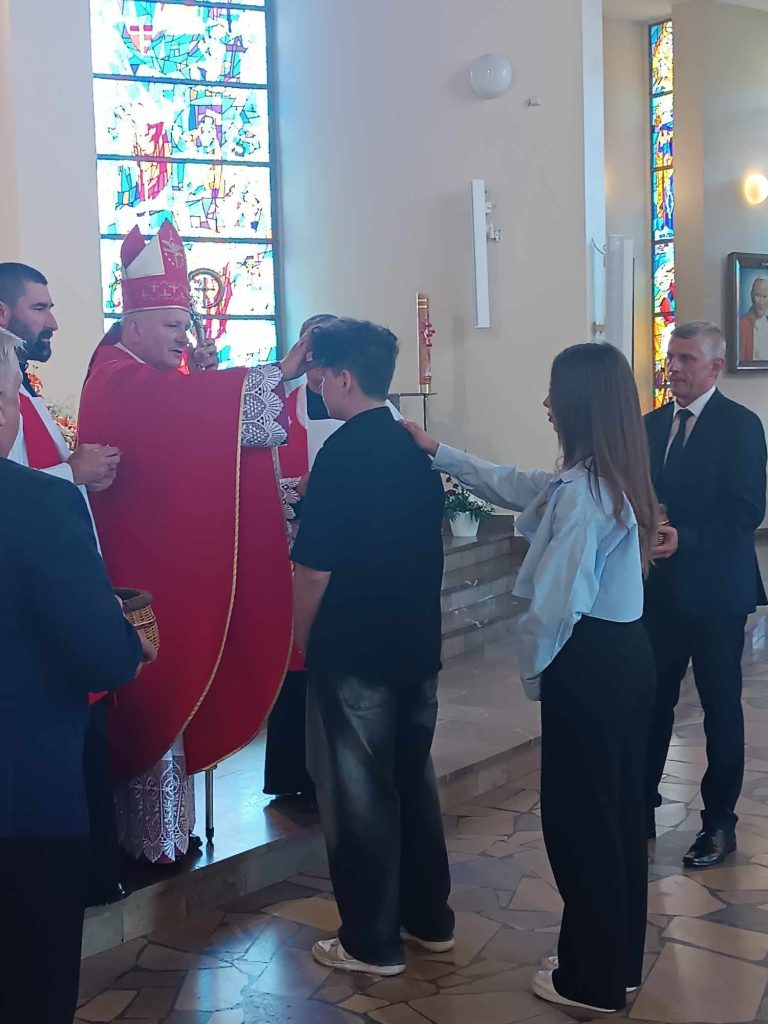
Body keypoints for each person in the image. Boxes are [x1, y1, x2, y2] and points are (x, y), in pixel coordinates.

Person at [406, 343, 659, 1014]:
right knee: (617, 814)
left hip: (591, 662)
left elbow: (556, 604)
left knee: (579, 824)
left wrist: (536, 669)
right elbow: (517, 484)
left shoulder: (583, 494)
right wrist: (440, 451)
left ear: (579, 403)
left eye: (554, 393)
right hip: (627, 655)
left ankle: (590, 982)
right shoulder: (607, 475)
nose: (546, 405)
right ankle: (616, 965)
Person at [78, 219, 311, 863]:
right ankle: (152, 843)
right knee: (157, 691)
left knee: (169, 687)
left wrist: (200, 384)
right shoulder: (118, 376)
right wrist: (280, 370)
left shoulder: (137, 372)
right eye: (172, 326)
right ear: (132, 327)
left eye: (185, 325)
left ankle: (161, 837)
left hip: (162, 558)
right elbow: (184, 420)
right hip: (144, 566)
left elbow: (185, 434)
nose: (184, 336)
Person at [291, 318, 454, 976]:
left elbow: (313, 570)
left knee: (358, 796)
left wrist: (304, 640)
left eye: (318, 374)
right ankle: (429, 920)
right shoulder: (413, 445)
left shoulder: (342, 453)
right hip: (415, 643)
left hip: (354, 649)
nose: (314, 384)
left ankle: (371, 942)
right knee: (411, 781)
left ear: (343, 378)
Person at [0, 327, 151, 1024]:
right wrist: (129, 638)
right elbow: (101, 657)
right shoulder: (37, 505)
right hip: (22, 802)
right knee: (30, 991)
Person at [0, 261, 127, 904]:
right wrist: (70, 476)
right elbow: (16, 502)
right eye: (40, 308)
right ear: (3, 315)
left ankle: (95, 876)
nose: (52, 321)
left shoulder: (27, 394)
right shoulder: (12, 399)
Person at [644, 321, 767, 867]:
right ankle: (639, 806)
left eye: (687, 359)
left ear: (715, 367)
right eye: (672, 357)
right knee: (651, 702)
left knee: (720, 708)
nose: (674, 367)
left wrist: (685, 537)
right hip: (657, 592)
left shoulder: (741, 426)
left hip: (716, 592)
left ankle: (718, 824)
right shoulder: (649, 425)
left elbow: (746, 511)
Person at [739, 277, 768, 363]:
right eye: (758, 296)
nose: (761, 302)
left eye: (765, 296)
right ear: (752, 296)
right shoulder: (742, 324)